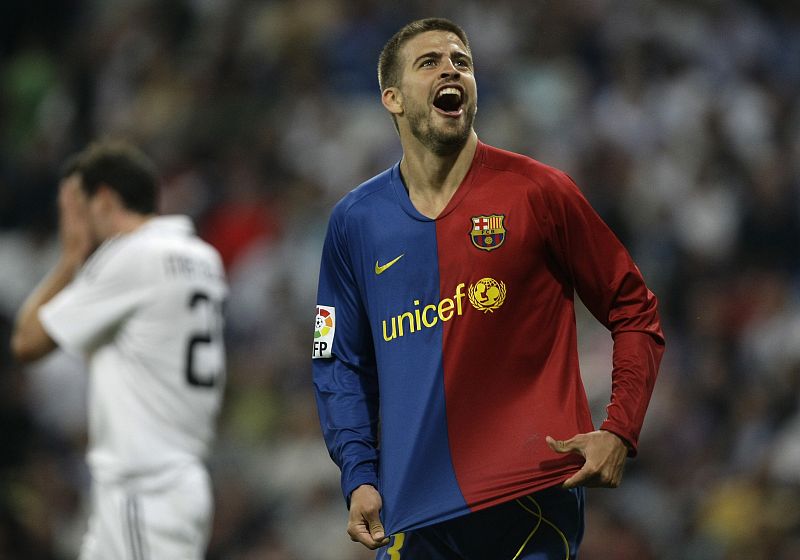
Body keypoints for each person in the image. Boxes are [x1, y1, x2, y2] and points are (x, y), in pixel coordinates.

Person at [312, 17, 665, 559]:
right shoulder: (353, 224)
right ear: (393, 98)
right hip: (411, 514)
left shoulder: (540, 192)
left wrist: (619, 429)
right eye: (429, 63)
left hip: (527, 498)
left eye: (462, 62)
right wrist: (358, 474)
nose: (451, 70)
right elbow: (334, 357)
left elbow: (633, 308)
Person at [11, 141, 228, 559]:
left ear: (104, 199)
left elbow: (26, 342)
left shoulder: (132, 257)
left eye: (72, 207)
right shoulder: (202, 257)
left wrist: (72, 255)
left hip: (143, 487)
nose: (67, 221)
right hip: (175, 481)